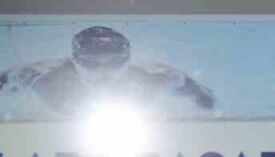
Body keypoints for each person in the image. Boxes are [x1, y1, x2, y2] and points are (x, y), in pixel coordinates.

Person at [0, 26, 214, 118]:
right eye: (92, 64)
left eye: (113, 63)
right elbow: (7, 80)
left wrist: (203, 99)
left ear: (127, 61)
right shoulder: (45, 78)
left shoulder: (152, 77)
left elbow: (201, 94)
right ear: (75, 62)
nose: (103, 72)